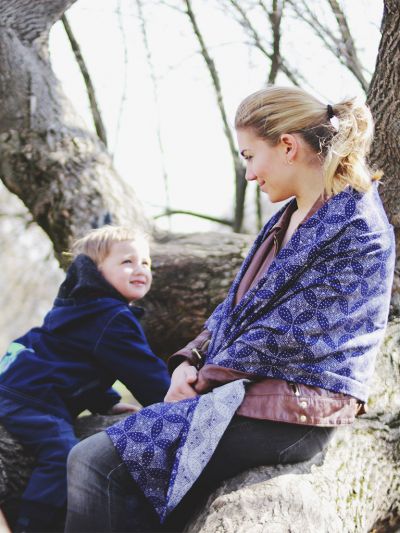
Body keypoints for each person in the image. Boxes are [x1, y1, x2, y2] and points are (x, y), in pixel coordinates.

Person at [65, 86, 395, 533]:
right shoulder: (287, 219)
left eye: (248, 156)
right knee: (140, 486)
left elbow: (288, 336)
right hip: (247, 395)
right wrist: (190, 359)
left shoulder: (356, 226)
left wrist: (205, 379)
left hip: (292, 411)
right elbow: (235, 308)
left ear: (288, 146)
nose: (248, 174)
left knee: (95, 462)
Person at [0, 225, 170, 532]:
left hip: (21, 387)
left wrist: (107, 402)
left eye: (145, 263)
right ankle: (28, 523)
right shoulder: (111, 317)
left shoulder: (82, 307)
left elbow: (74, 363)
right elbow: (146, 374)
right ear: (97, 269)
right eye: (126, 262)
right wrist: (176, 404)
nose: (140, 269)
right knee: (64, 457)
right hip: (31, 398)